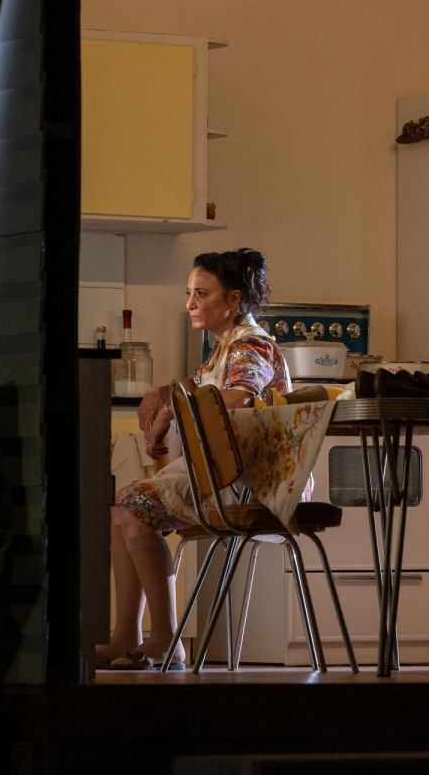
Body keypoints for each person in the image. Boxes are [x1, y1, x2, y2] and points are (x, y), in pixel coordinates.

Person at [96, 248, 291, 671]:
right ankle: (126, 636)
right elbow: (197, 384)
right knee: (121, 509)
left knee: (131, 507)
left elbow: (237, 397)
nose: (190, 304)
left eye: (201, 294)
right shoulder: (224, 348)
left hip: (249, 481)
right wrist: (162, 393)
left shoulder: (252, 345)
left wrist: (169, 410)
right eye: (190, 293)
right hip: (222, 475)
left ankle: (166, 641)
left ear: (234, 300)